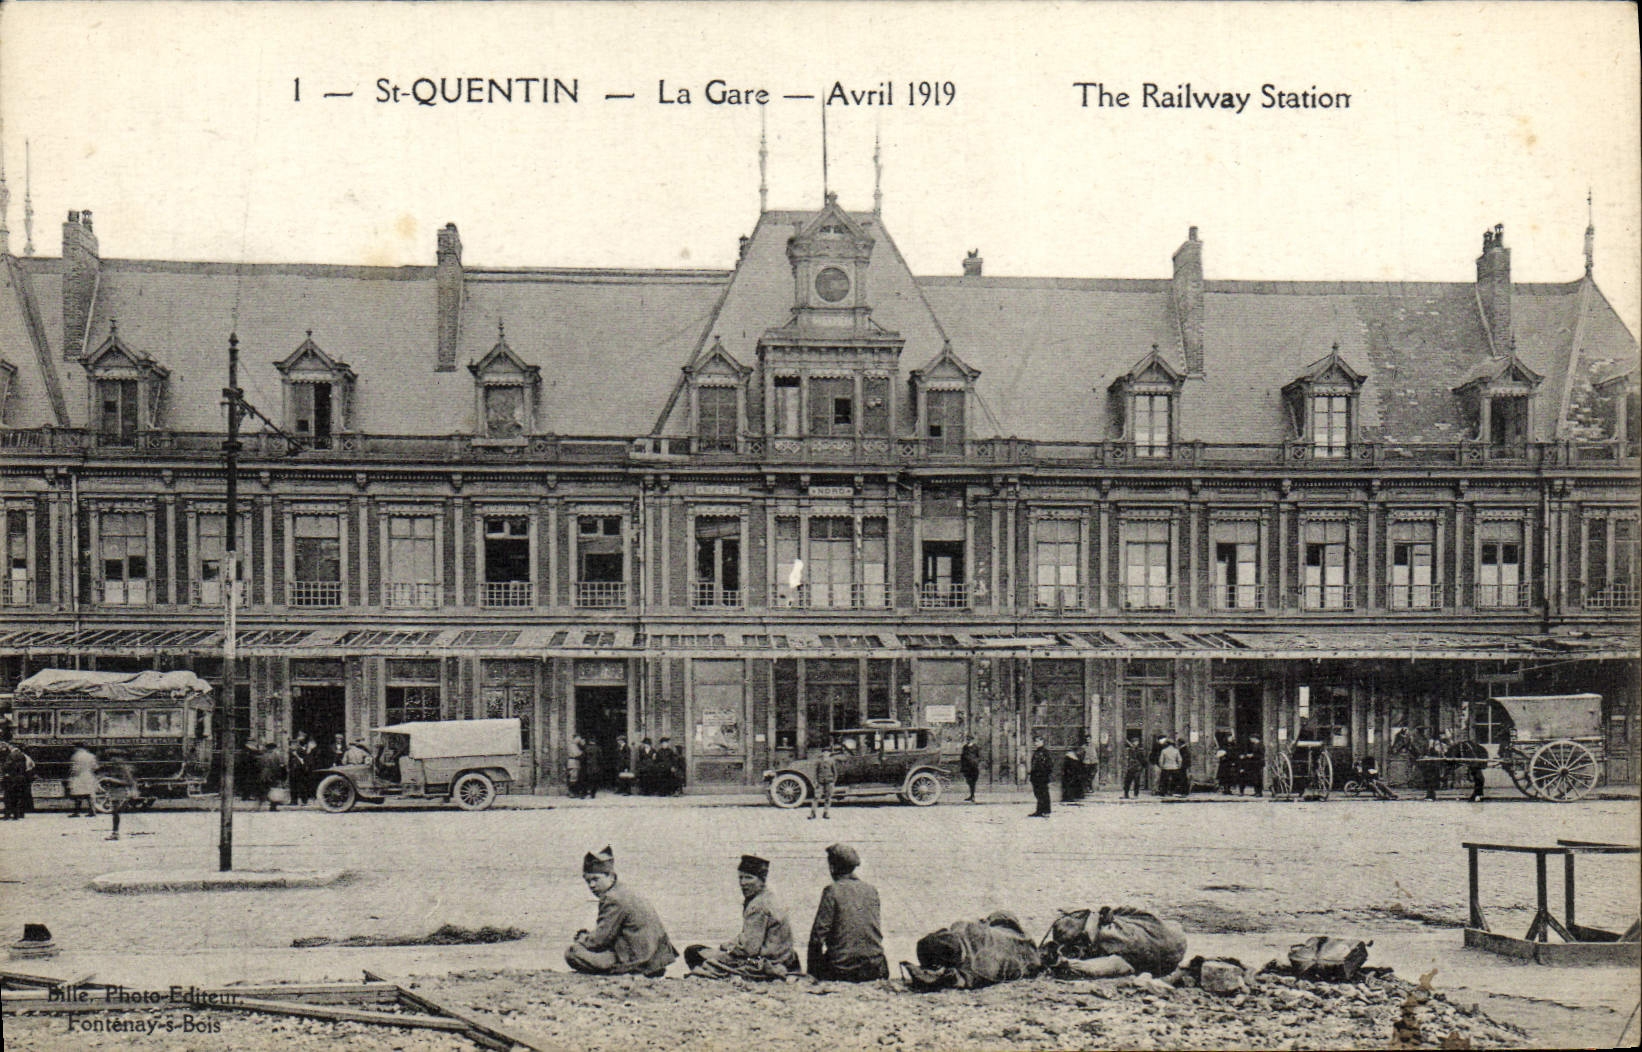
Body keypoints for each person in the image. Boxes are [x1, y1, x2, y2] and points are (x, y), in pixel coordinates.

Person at [564, 846, 678, 977]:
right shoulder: (624, 890)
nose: (591, 885)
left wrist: (583, 939)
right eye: (588, 881)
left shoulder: (612, 898)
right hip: (656, 959)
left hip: (639, 962)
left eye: (595, 879)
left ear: (610, 875)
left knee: (572, 952)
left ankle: (625, 971)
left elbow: (600, 940)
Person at [685, 854, 800, 980]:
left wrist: (727, 948)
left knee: (693, 952)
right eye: (741, 877)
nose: (743, 883)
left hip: (765, 963)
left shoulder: (758, 906)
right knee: (706, 952)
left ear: (761, 880)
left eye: (749, 878)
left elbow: (749, 949)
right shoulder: (769, 897)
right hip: (783, 958)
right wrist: (729, 945)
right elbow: (753, 937)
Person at [806, 843, 888, 982]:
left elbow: (818, 935)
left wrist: (812, 971)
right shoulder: (871, 890)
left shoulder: (832, 891)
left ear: (832, 867)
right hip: (874, 968)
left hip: (842, 969)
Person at [98, 749, 138, 840]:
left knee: (115, 812)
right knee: (115, 813)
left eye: (113, 757)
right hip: (115, 792)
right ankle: (115, 832)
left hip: (120, 792)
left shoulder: (123, 769)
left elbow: (128, 782)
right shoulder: (117, 768)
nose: (112, 760)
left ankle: (115, 833)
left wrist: (110, 780)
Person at [68, 743, 99, 817]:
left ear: (78, 747)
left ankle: (77, 812)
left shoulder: (75, 756)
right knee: (89, 795)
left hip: (78, 777)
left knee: (78, 796)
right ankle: (92, 811)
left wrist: (71, 775)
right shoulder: (91, 756)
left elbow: (74, 768)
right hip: (89, 776)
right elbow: (95, 767)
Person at [809, 745, 838, 819]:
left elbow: (835, 772)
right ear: (822, 753)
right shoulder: (819, 761)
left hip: (829, 781)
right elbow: (815, 772)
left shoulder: (831, 761)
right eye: (824, 752)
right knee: (816, 797)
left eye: (827, 752)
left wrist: (833, 781)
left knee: (828, 797)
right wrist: (815, 781)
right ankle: (813, 813)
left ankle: (826, 813)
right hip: (820, 782)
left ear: (829, 753)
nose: (826, 754)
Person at [1028, 737, 1054, 817]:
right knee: (1038, 794)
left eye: (1038, 741)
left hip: (1042, 776)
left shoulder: (1045, 752)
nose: (1036, 743)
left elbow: (1049, 765)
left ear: (1042, 742)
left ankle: (1046, 811)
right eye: (1035, 741)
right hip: (1036, 776)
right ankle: (1040, 810)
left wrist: (1045, 774)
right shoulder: (1037, 752)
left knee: (1043, 793)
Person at [260, 740, 288, 811]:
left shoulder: (264, 755)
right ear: (273, 748)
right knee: (274, 789)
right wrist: (279, 774)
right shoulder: (275, 755)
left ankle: (264, 802)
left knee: (266, 788)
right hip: (272, 774)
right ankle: (273, 806)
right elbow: (275, 766)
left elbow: (260, 764)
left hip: (264, 774)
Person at [1122, 734, 1147, 799]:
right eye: (1134, 742)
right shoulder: (1130, 750)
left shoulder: (1139, 750)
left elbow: (1142, 759)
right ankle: (1126, 794)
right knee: (1127, 781)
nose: (1135, 743)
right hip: (1131, 767)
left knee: (1136, 782)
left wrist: (1143, 766)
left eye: (1136, 742)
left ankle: (1136, 795)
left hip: (1137, 768)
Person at [959, 736, 981, 802]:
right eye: (967, 739)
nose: (968, 740)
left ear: (972, 740)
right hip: (966, 767)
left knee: (973, 781)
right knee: (968, 781)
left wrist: (975, 762)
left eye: (969, 739)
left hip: (973, 767)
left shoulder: (975, 747)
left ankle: (972, 796)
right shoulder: (965, 747)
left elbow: (978, 756)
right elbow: (962, 756)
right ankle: (971, 795)